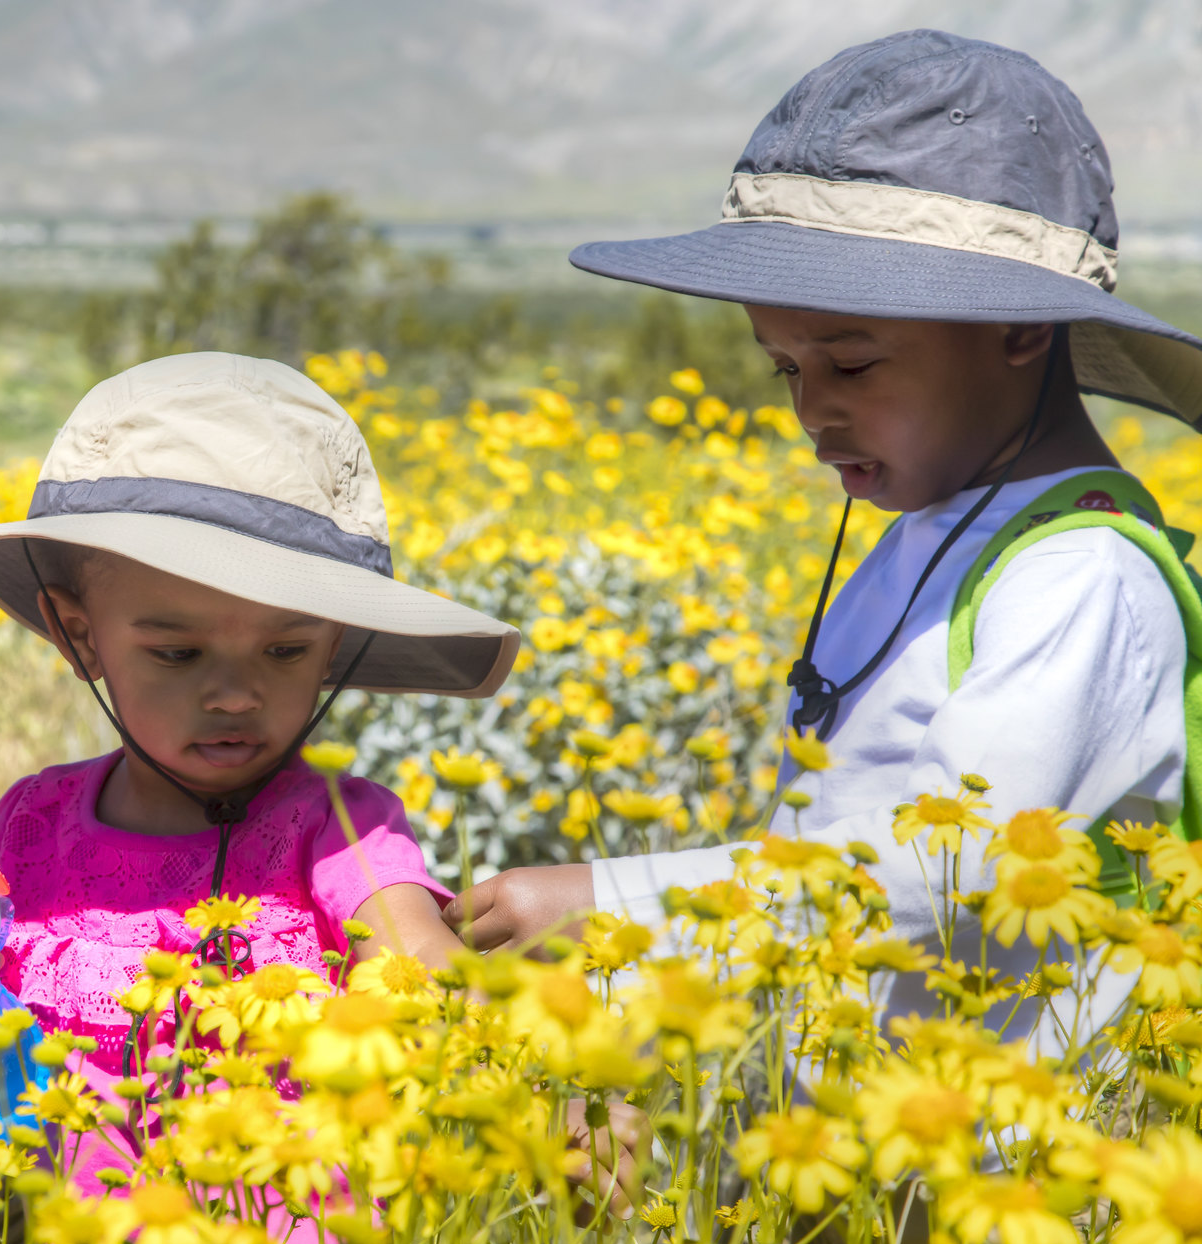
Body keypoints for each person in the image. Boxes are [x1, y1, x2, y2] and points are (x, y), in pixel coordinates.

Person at [451, 31, 1202, 1046]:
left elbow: (952, 871)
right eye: (784, 370)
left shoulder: (1080, 575)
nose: (812, 410)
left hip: (997, 1158)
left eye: (849, 365)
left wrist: (617, 899)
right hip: (855, 1138)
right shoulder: (936, 533)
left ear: (1018, 330)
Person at [0, 351, 644, 1219]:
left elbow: (427, 980)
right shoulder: (29, 824)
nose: (234, 693)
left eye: (286, 650)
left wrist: (543, 1102)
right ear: (79, 636)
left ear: (334, 647)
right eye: (178, 653)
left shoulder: (341, 828)